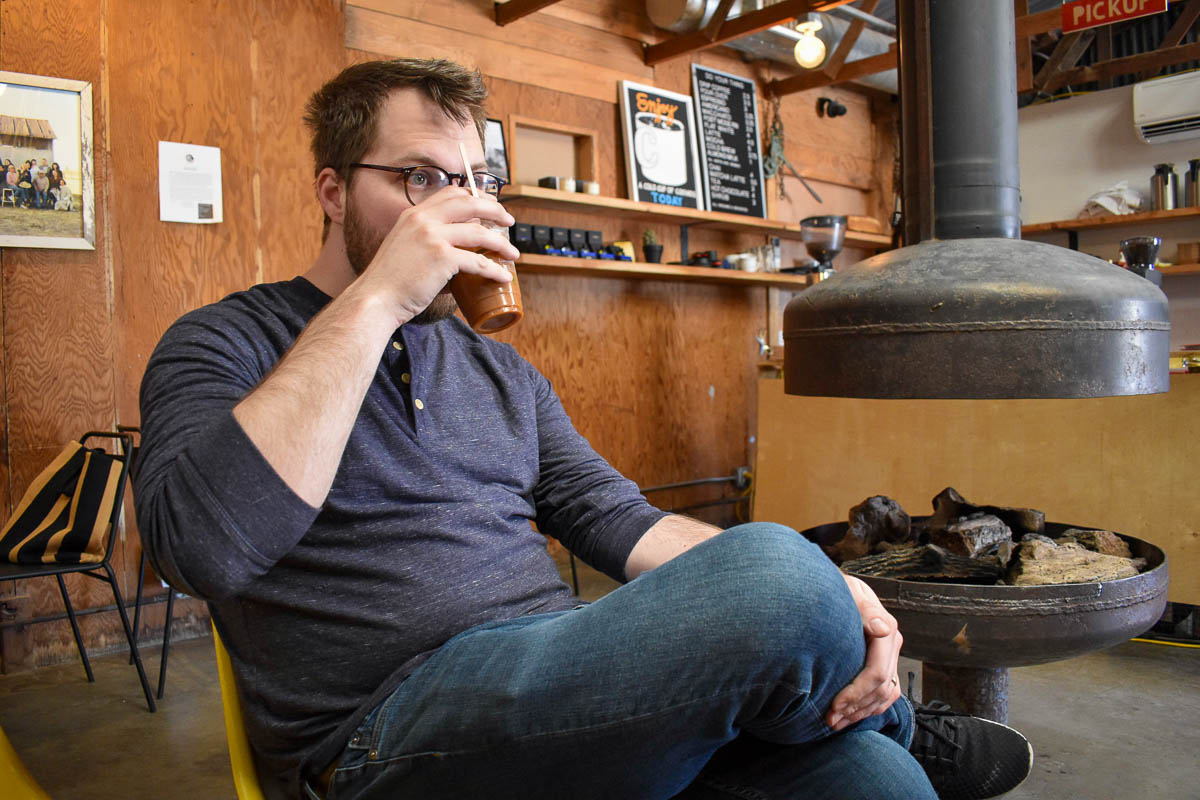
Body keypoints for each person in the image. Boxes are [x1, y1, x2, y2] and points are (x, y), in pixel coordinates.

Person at [134, 58, 1033, 800]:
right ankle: (916, 731)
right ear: (333, 190)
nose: (466, 205)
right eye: (422, 178)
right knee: (780, 576)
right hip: (384, 734)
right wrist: (380, 297)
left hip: (563, 688)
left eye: (480, 180)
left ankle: (896, 742)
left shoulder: (499, 371)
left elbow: (623, 520)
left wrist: (834, 600)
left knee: (873, 782)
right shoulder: (223, 342)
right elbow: (199, 550)